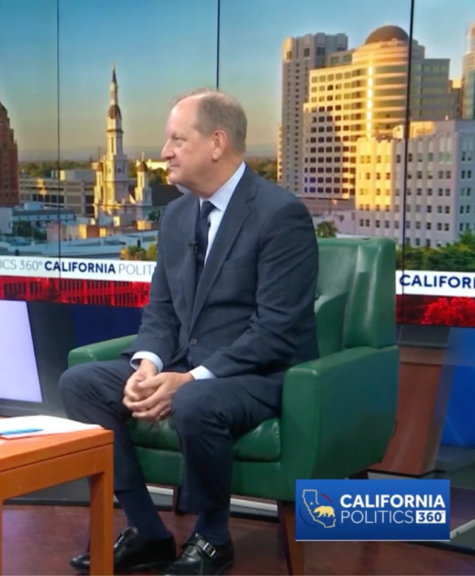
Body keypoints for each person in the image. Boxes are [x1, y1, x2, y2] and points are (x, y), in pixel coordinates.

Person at [60, 88, 318, 576]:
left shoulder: (280, 214)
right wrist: (148, 366)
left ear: (217, 143)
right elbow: (162, 310)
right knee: (81, 383)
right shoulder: (177, 215)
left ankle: (213, 538)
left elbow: (276, 330)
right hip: (185, 364)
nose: (165, 152)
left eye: (178, 139)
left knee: (196, 400)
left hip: (258, 373)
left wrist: (189, 379)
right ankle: (147, 531)